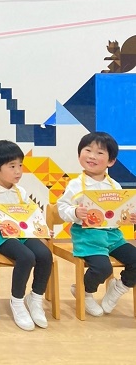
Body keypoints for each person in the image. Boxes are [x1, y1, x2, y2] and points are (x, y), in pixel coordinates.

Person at [0, 140, 52, 330]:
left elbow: (32, 214)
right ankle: (17, 301)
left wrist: (42, 228)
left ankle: (35, 298)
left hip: (22, 234)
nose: (18, 171)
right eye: (12, 166)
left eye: (20, 165)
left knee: (45, 254)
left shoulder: (20, 192)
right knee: (26, 257)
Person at [57, 131, 136, 317]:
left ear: (111, 161)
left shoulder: (115, 186)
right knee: (102, 267)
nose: (92, 156)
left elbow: (121, 212)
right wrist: (75, 212)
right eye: (88, 150)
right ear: (79, 155)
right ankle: (84, 291)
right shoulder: (75, 185)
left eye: (100, 153)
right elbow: (62, 208)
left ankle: (119, 288)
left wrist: (130, 217)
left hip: (113, 237)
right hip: (88, 237)